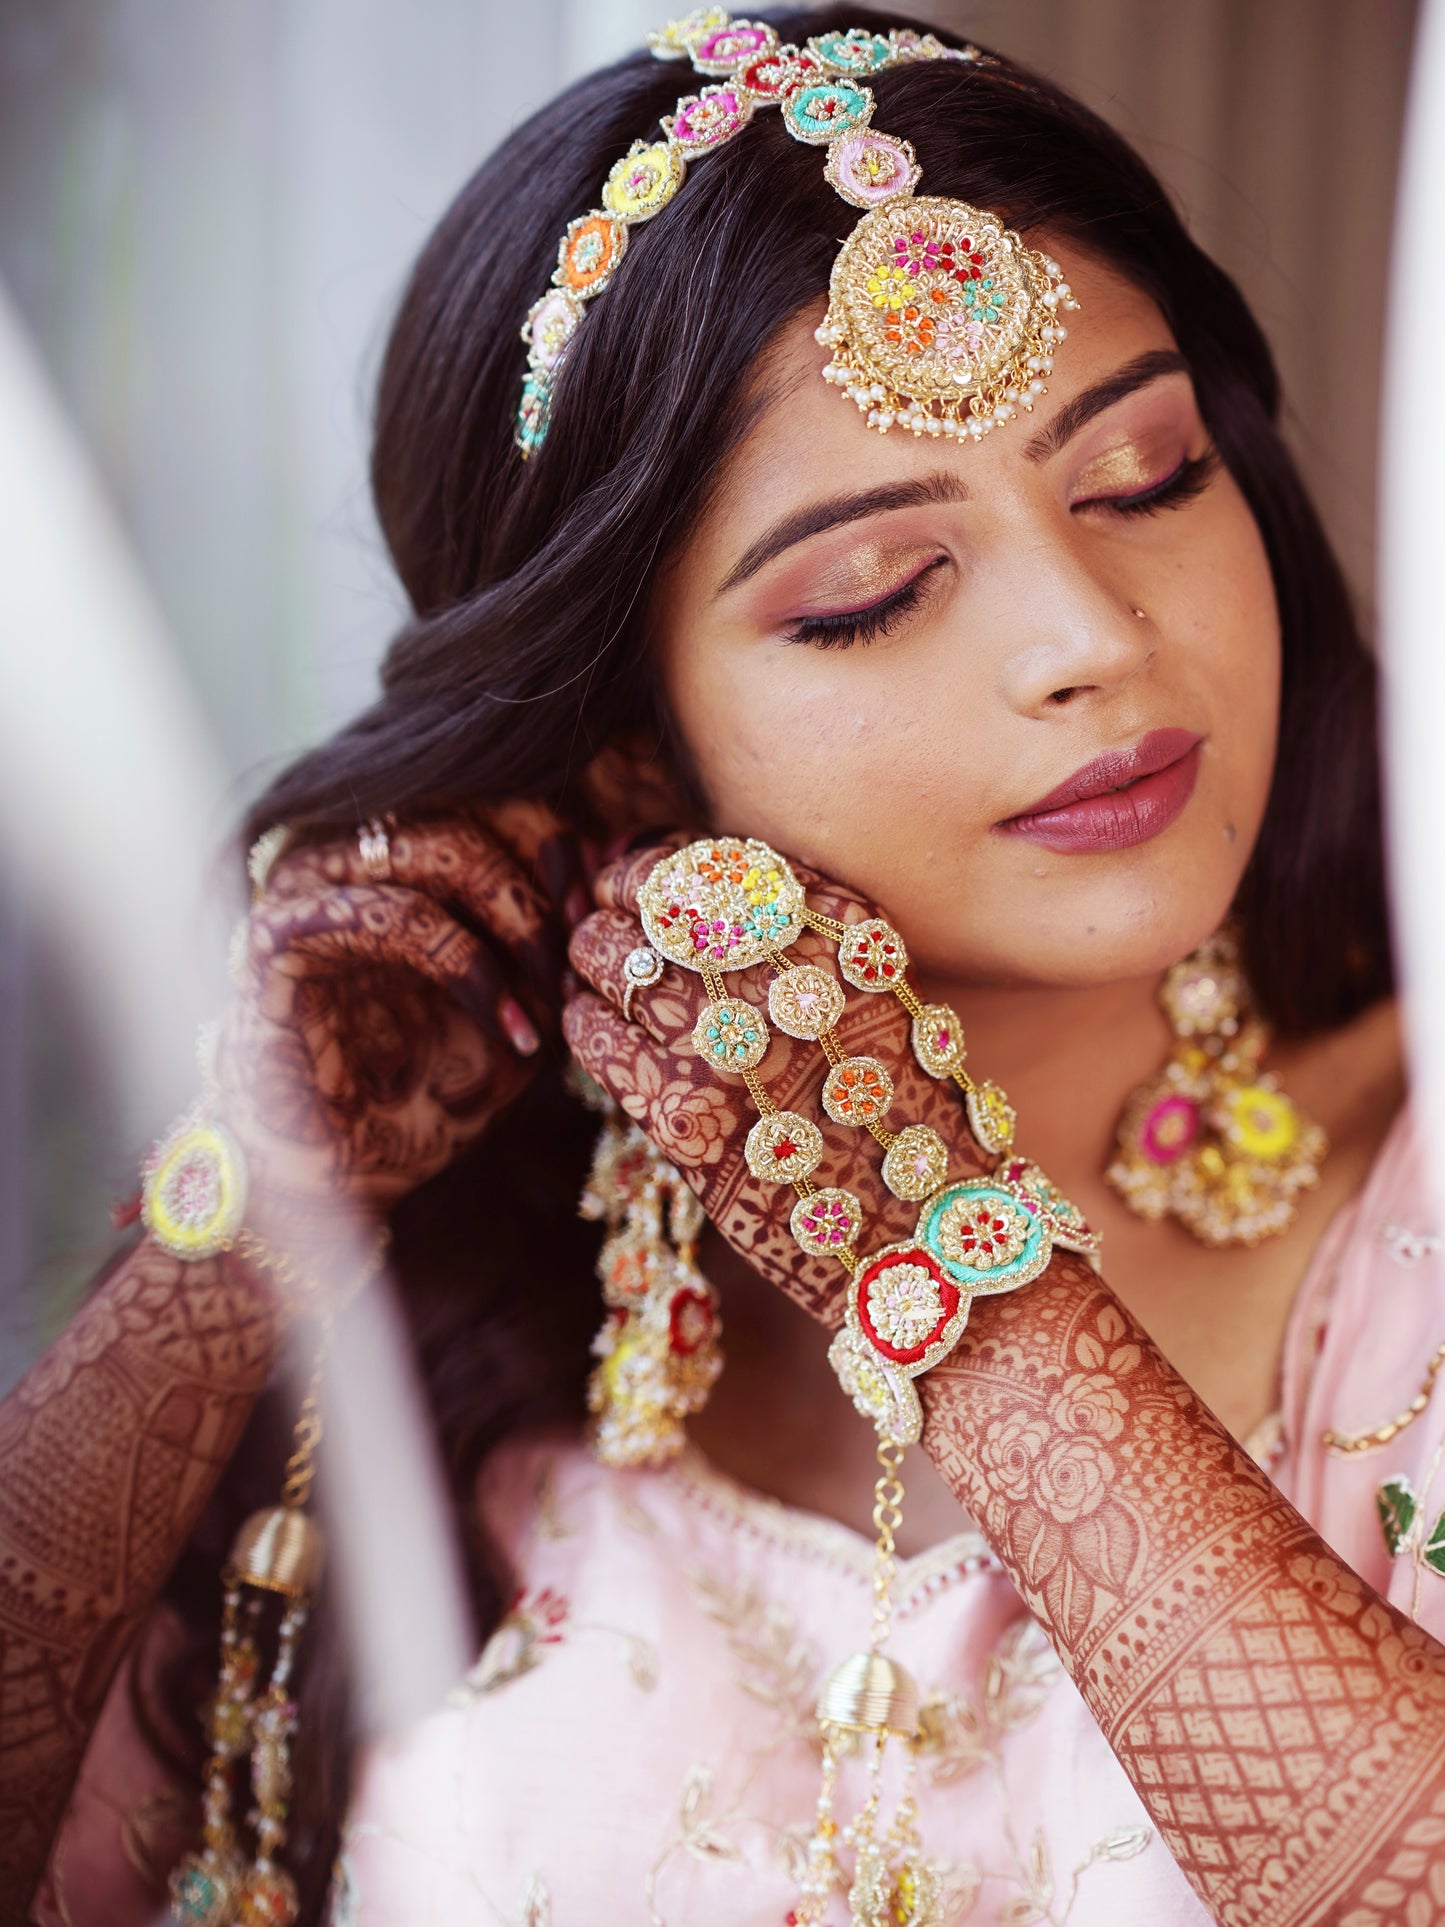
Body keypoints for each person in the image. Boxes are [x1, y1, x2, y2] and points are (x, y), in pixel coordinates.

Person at [3, 6, 1439, 1923]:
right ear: (624, 743)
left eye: (1145, 476)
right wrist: (225, 1249)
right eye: (873, 592)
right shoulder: (428, 1316)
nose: (1086, 635)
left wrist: (953, 1274)